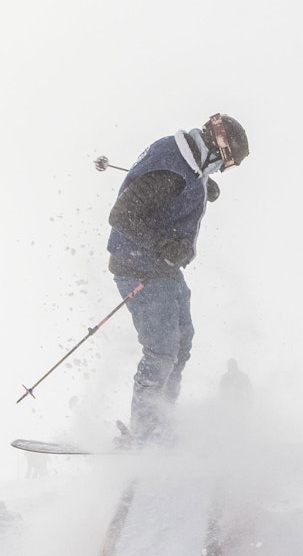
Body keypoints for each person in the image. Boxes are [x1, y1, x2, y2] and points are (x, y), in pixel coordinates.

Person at [107, 113, 249, 445]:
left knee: (182, 344)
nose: (224, 172)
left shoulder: (187, 162)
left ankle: (162, 421)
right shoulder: (172, 171)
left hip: (163, 269)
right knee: (161, 351)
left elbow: (177, 182)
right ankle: (144, 431)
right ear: (217, 149)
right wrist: (163, 244)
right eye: (226, 165)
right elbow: (121, 215)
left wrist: (202, 184)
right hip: (139, 267)